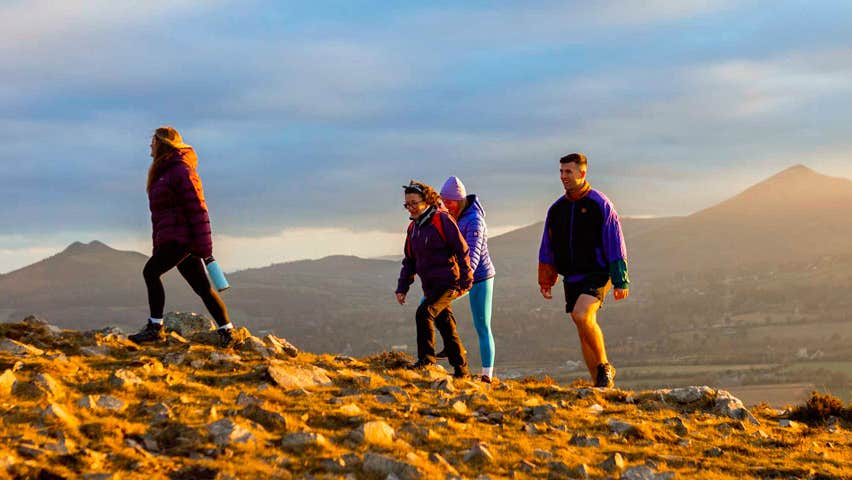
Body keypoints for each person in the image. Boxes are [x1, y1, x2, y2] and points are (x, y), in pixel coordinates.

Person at [129, 126, 236, 348]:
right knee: (202, 288)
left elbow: (198, 208)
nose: (150, 145)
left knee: (150, 272)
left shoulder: (180, 170)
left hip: (181, 239)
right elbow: (161, 216)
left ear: (162, 143)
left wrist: (204, 247)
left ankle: (155, 328)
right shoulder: (164, 172)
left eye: (153, 141)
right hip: (174, 238)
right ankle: (228, 331)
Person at [538, 153, 630, 388]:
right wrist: (546, 279)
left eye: (568, 172)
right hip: (572, 275)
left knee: (582, 315)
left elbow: (615, 240)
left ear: (582, 173)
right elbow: (547, 245)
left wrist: (620, 280)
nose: (563, 176)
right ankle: (601, 388)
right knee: (582, 329)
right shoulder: (556, 209)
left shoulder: (600, 203)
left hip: (598, 272)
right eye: (561, 172)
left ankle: (605, 366)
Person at [396, 181, 473, 378]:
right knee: (446, 325)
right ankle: (461, 370)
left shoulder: (442, 221)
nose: (410, 208)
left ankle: (426, 360)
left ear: (427, 201)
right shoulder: (413, 228)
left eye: (414, 203)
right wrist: (402, 287)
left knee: (424, 313)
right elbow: (410, 261)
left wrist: (466, 279)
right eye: (407, 204)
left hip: (448, 282)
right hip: (429, 286)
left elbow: (461, 249)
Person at [439, 176, 497, 383]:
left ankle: (486, 377)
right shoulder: (451, 215)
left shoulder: (474, 221)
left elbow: (472, 255)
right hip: (460, 276)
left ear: (460, 199)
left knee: (482, 325)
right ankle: (451, 345)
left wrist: (463, 282)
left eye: (450, 202)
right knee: (429, 305)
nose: (447, 206)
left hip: (480, 277)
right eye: (443, 202)